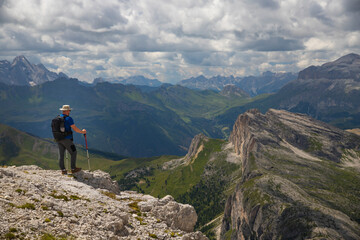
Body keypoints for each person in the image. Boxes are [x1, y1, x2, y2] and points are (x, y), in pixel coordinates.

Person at [57, 105, 86, 175]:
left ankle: (63, 170)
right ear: (66, 111)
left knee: (61, 155)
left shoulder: (58, 118)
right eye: (69, 110)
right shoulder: (69, 119)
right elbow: (75, 129)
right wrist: (83, 132)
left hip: (59, 139)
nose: (70, 112)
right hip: (67, 139)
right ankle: (73, 169)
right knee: (74, 152)